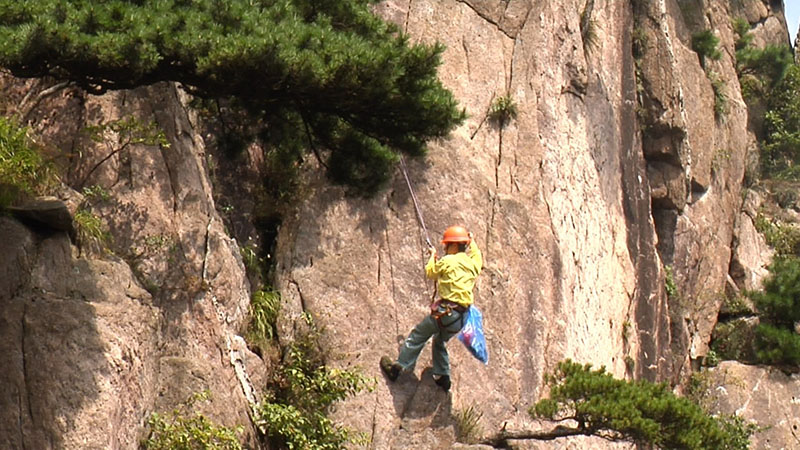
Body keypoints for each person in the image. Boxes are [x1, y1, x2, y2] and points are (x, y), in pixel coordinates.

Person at [380, 225, 483, 391]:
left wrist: (433, 256)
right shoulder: (472, 264)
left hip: (447, 313)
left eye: (447, 246)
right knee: (440, 340)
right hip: (461, 318)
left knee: (419, 334)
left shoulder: (448, 261)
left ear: (454, 246)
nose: (445, 249)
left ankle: (397, 368)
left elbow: (431, 272)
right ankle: (443, 376)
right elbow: (478, 257)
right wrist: (473, 242)